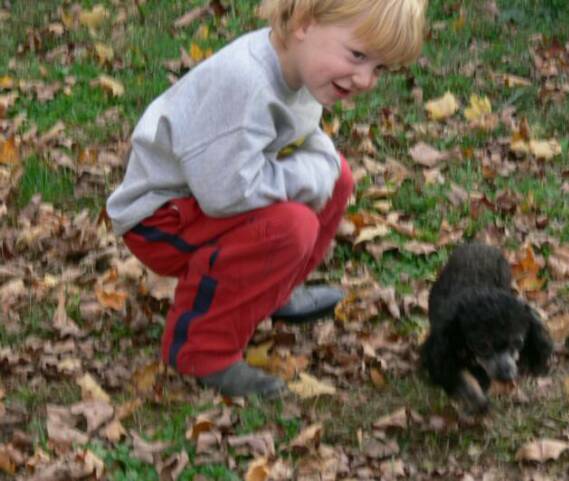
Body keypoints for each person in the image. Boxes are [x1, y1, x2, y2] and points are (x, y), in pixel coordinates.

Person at [106, 0, 427, 398]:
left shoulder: (300, 69)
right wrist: (307, 175)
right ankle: (200, 350)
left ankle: (268, 293)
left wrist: (320, 169)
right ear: (305, 24)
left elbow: (295, 136)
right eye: (358, 55)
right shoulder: (245, 81)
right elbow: (227, 192)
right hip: (161, 218)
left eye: (378, 68)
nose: (364, 79)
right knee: (292, 225)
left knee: (337, 179)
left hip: (209, 198)